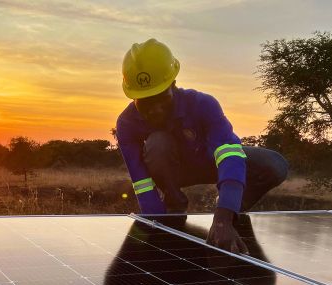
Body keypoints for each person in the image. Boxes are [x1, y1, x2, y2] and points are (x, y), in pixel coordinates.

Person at [115, 38, 288, 254]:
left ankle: (233, 206)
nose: (155, 110)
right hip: (172, 171)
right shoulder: (126, 123)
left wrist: (224, 215)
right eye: (145, 103)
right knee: (158, 142)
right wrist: (156, 225)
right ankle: (174, 202)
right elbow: (140, 181)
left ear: (173, 85)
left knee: (274, 165)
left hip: (210, 163)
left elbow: (229, 153)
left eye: (160, 98)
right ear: (133, 98)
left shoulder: (203, 104)